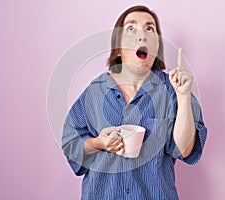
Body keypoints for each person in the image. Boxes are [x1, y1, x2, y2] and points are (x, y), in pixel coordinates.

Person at [62, 5, 207, 200]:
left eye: (150, 29)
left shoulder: (173, 90)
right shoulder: (94, 92)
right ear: (119, 47)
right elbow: (72, 145)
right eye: (131, 28)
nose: (142, 35)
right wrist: (98, 143)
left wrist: (183, 96)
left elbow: (185, 150)